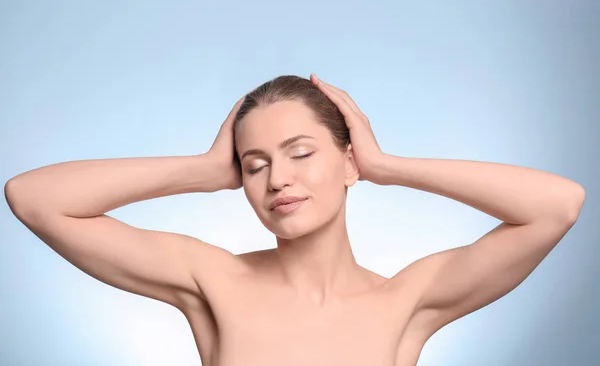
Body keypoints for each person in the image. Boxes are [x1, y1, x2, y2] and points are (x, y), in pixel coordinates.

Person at [4, 74, 586, 366]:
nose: (277, 178)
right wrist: (202, 170)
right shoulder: (211, 280)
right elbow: (32, 196)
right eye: (254, 164)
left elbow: (557, 205)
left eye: (301, 153)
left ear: (346, 162)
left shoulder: (408, 299)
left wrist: (387, 165)